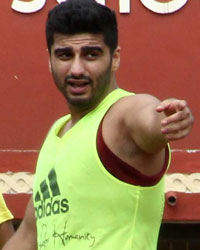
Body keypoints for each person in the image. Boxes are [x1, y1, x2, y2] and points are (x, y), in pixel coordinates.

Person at [3, 0, 194, 249]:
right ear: (49, 61)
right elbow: (28, 236)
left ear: (115, 58)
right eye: (64, 55)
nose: (77, 69)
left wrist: (166, 120)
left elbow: (148, 117)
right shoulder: (57, 133)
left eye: (91, 54)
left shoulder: (122, 114)